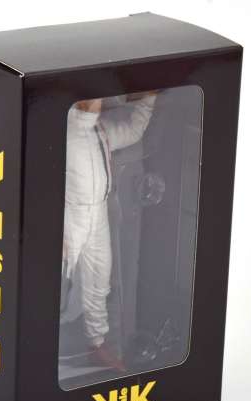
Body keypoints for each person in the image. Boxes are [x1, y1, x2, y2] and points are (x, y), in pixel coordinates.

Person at [62, 91, 157, 371]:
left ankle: (97, 344)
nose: (98, 104)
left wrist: (148, 98)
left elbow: (133, 130)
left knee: (99, 280)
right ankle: (36, 340)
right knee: (58, 280)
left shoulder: (99, 130)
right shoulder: (67, 130)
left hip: (99, 212)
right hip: (70, 213)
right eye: (94, 99)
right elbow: (84, 113)